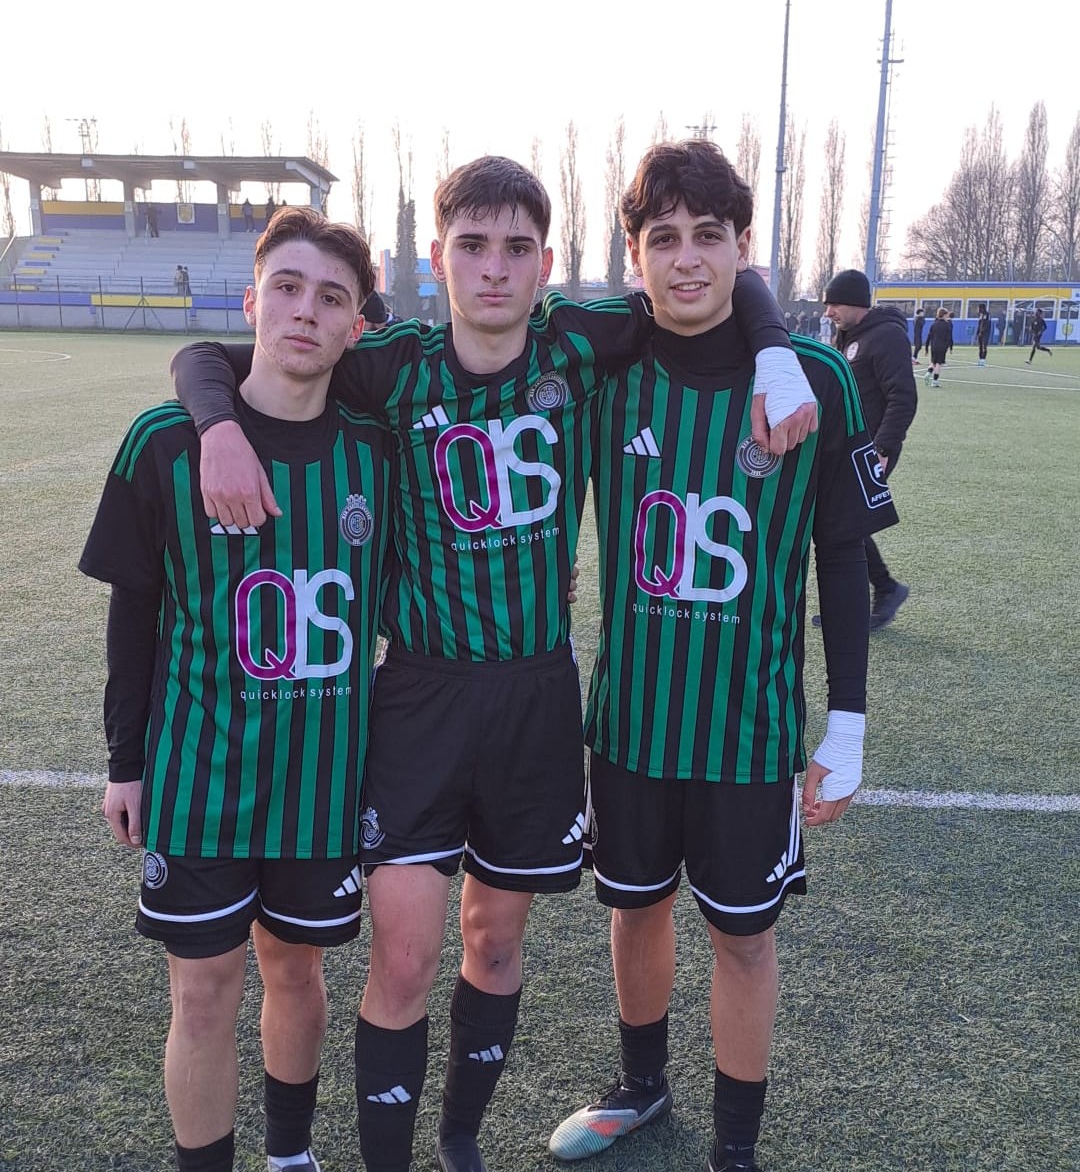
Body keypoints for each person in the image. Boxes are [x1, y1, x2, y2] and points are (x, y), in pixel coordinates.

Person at [170, 155, 818, 1172]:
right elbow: (213, 355)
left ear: (545, 263)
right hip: (420, 696)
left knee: (497, 941)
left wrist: (776, 347)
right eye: (472, 246)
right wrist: (215, 425)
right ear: (438, 257)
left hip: (536, 696)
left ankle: (460, 1137)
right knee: (405, 955)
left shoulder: (579, 341)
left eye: (517, 248)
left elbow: (712, 280)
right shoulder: (394, 364)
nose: (494, 268)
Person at [547, 140, 898, 1172]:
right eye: (663, 238)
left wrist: (847, 723)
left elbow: (844, 556)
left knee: (744, 936)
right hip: (631, 722)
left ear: (744, 245)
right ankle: (642, 1083)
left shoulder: (816, 379)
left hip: (748, 733)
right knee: (634, 909)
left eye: (710, 235)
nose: (687, 257)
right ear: (635, 255)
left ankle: (735, 1144)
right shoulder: (607, 371)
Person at [80, 207, 389, 1172]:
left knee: (295, 974)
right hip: (200, 775)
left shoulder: (378, 451)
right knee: (203, 993)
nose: (305, 311)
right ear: (251, 301)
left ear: (356, 326)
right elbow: (133, 620)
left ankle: (289, 1155)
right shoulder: (165, 443)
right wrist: (125, 761)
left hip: (322, 781)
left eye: (330, 298)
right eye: (286, 288)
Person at [823, 269, 917, 630]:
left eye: (834, 304)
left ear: (856, 303)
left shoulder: (886, 336)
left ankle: (885, 588)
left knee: (845, 524)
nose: (828, 311)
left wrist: (883, 448)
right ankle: (862, 599)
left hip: (872, 450)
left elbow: (903, 397)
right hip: (843, 447)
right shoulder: (848, 336)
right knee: (839, 525)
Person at [925, 306, 952, 385]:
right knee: (938, 364)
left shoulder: (934, 324)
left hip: (934, 345)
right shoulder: (947, 325)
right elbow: (949, 337)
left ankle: (928, 373)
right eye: (946, 315)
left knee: (933, 362)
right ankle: (935, 381)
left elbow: (929, 336)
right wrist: (949, 347)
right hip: (942, 346)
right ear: (944, 315)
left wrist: (926, 348)